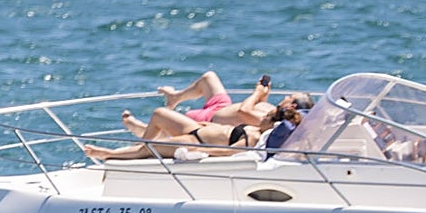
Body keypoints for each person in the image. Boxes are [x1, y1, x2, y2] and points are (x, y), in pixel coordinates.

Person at [82, 106, 263, 161]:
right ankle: (142, 135)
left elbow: (228, 151)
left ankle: (108, 154)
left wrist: (202, 152)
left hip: (196, 141)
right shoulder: (255, 128)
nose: (263, 116)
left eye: (268, 117)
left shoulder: (253, 138)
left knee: (148, 149)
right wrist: (206, 124)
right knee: (159, 113)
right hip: (198, 129)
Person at [158, 70, 314, 127]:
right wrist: (264, 96)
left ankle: (139, 130)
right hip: (222, 107)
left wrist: (257, 93)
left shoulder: (271, 122)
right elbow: (257, 106)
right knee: (209, 77)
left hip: (209, 119)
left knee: (162, 119)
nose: (286, 97)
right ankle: (175, 97)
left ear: (292, 106)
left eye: (290, 97)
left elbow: (244, 111)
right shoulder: (273, 111)